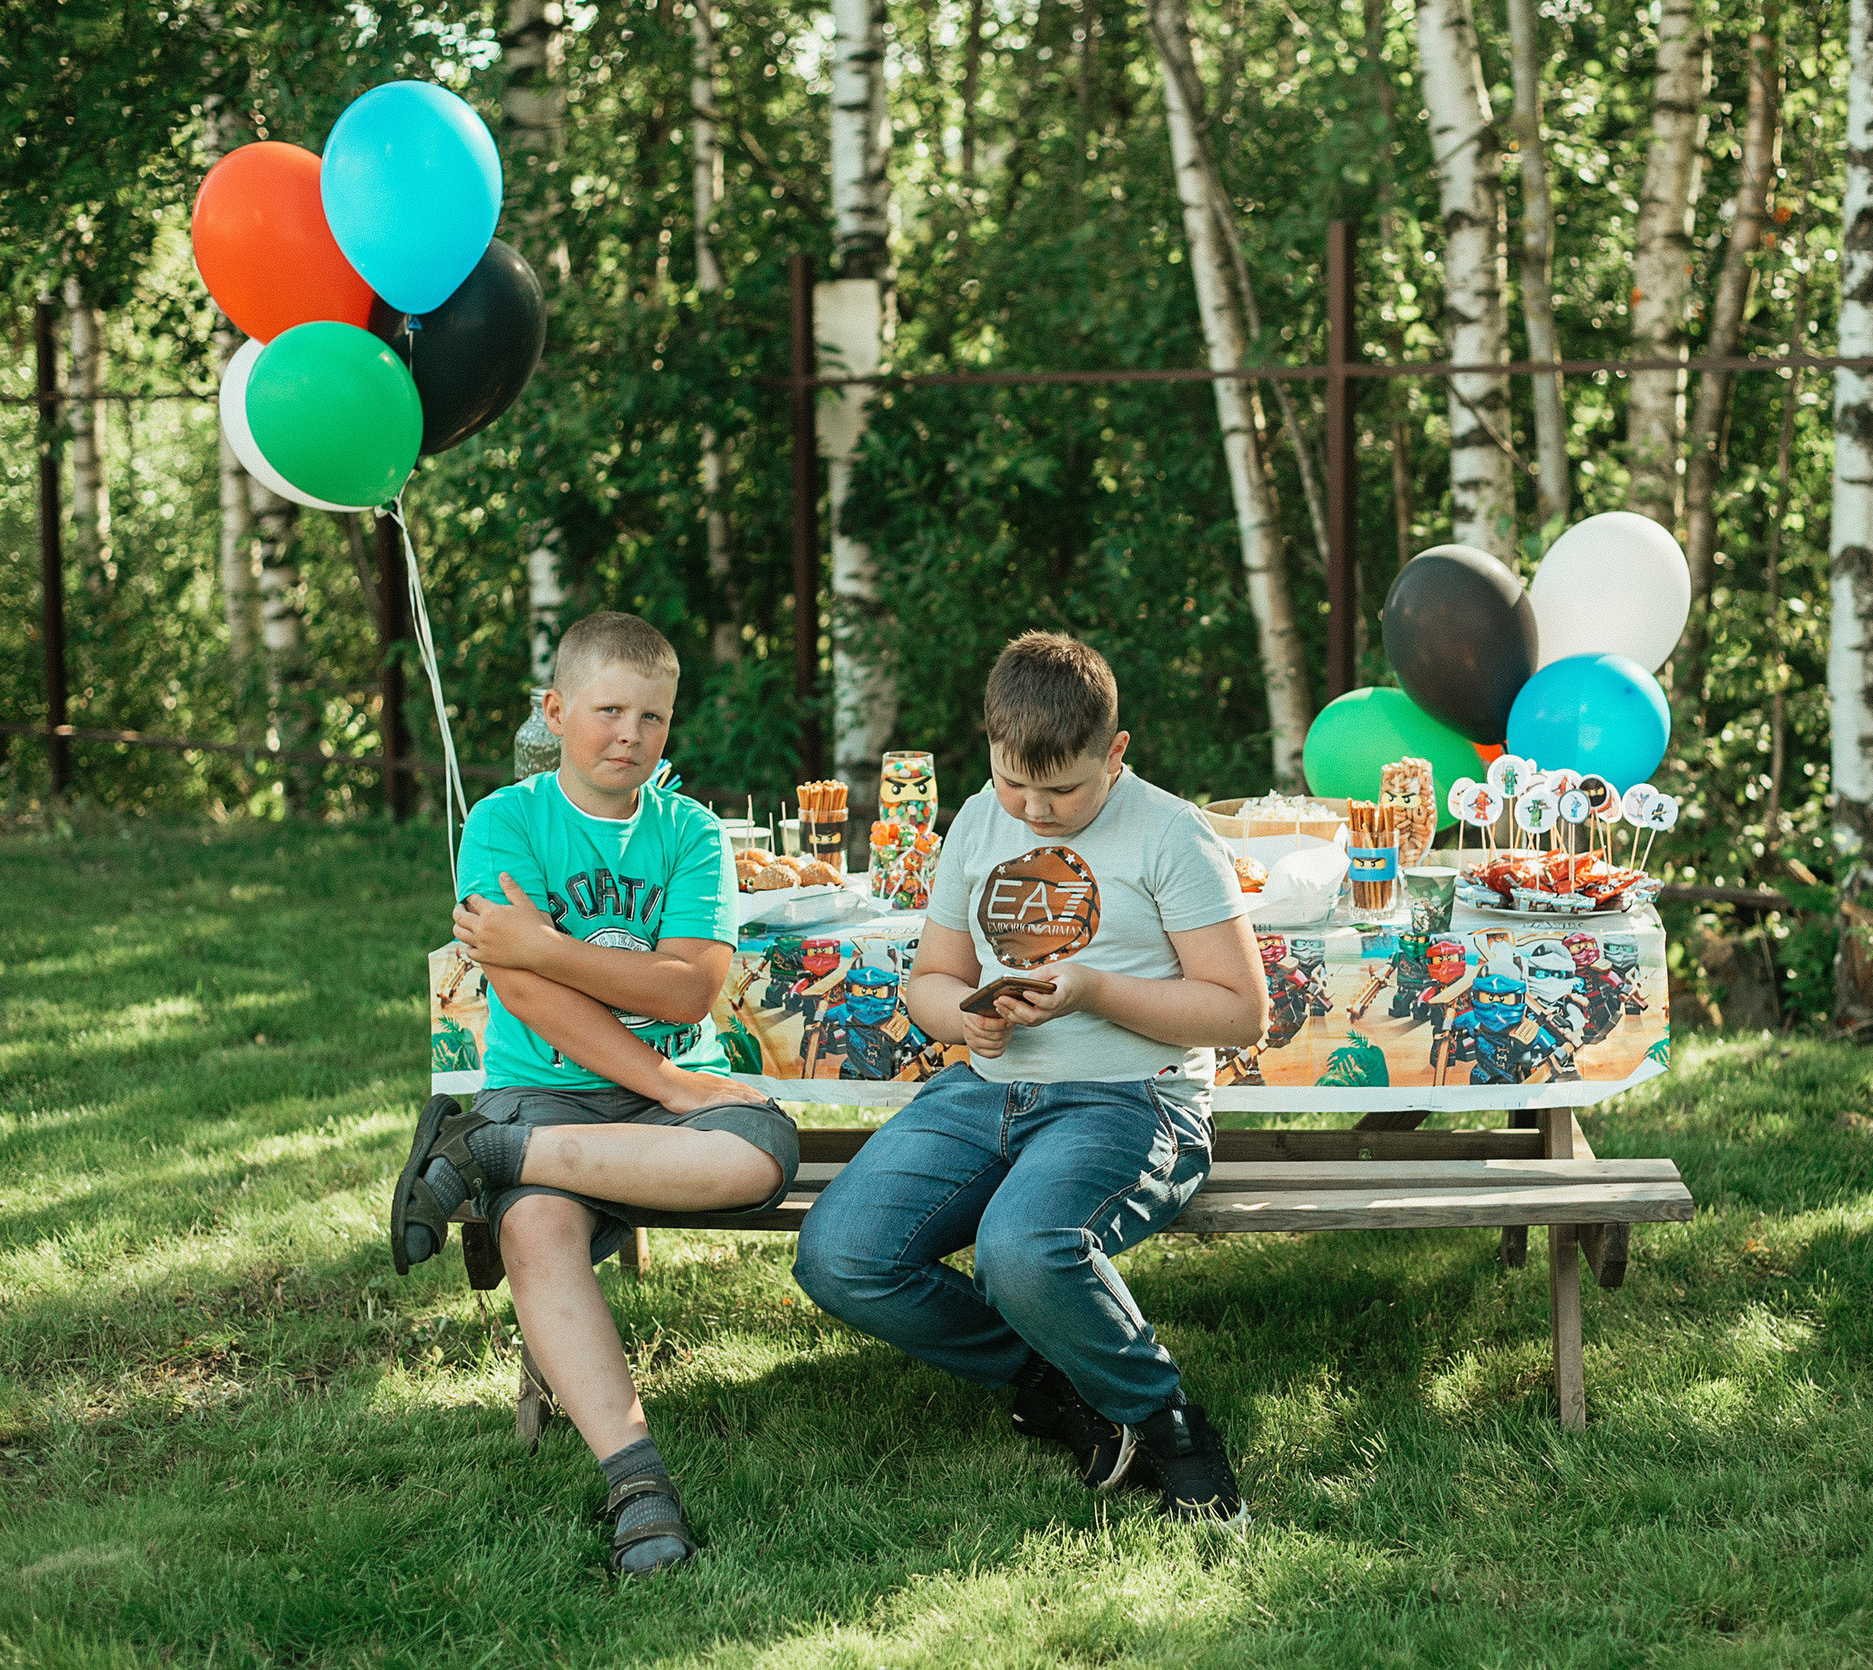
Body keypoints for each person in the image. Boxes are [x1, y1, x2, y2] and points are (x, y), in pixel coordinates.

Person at [791, 632, 1267, 1529]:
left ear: (1115, 753)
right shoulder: (979, 818)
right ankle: (1056, 1378)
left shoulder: (1171, 832)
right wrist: (963, 1015)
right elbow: (931, 980)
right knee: (840, 1253)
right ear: (991, 749)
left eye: (1063, 790)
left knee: (1021, 1248)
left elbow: (1242, 1011)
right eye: (1015, 783)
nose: (1036, 810)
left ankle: (1167, 1424)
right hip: (984, 1091)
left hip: (1134, 1097)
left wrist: (1093, 989)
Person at [389, 611, 801, 1577]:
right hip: (551, 1093)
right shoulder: (506, 821)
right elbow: (523, 990)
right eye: (608, 711)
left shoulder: (690, 832)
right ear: (556, 710)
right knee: (536, 1227)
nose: (630, 735)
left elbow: (688, 989)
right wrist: (652, 1065)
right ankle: (638, 1484)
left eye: (651, 717)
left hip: (658, 1104)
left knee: (762, 1155)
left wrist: (547, 945)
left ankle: (481, 1151)